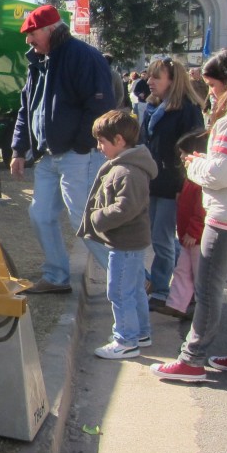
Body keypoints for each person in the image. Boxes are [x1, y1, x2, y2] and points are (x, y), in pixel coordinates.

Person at [152, 48, 227, 381]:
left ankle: (192, 358)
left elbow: (222, 174)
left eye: (212, 85)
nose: (210, 92)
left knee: (209, 290)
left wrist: (195, 165)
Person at [10, 4, 116, 294]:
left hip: (76, 154)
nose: (28, 41)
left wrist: (81, 145)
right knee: (41, 214)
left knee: (84, 219)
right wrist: (19, 150)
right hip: (50, 155)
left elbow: (99, 105)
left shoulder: (83, 57)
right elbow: (26, 109)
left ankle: (128, 277)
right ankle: (56, 277)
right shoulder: (39, 62)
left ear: (50, 30)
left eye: (32, 34)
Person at [78, 110, 157, 358]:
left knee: (119, 292)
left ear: (120, 140)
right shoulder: (126, 166)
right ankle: (140, 332)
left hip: (124, 242)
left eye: (102, 141)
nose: (98, 146)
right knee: (133, 289)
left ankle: (126, 340)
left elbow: (125, 208)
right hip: (130, 242)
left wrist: (96, 218)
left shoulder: (126, 171)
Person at [140, 58, 204, 309]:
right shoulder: (153, 107)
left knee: (161, 238)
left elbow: (194, 150)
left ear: (173, 80)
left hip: (173, 184)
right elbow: (147, 143)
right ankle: (181, 284)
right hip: (154, 181)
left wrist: (182, 186)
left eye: (157, 77)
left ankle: (161, 289)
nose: (149, 81)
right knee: (159, 236)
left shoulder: (188, 110)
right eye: (150, 76)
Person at [155, 129, 209, 319]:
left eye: (184, 153)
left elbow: (201, 210)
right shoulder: (190, 179)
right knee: (182, 271)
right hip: (189, 236)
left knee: (198, 275)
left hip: (196, 237)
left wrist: (193, 232)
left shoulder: (199, 181)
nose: (181, 157)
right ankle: (177, 304)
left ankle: (202, 311)